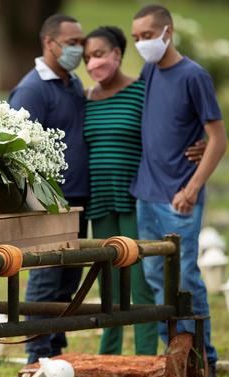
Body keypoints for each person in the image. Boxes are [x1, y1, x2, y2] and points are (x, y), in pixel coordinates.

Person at [130, 4, 227, 377]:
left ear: (167, 32)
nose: (142, 43)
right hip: (146, 194)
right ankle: (174, 353)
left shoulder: (194, 75)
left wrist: (192, 188)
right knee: (156, 277)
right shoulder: (149, 70)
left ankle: (204, 358)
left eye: (148, 36)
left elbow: (218, 139)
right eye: (136, 38)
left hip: (178, 198)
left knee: (186, 277)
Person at [8, 14, 88, 364]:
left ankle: (55, 349)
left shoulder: (73, 83)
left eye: (80, 43)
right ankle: (37, 355)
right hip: (50, 202)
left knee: (70, 276)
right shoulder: (32, 89)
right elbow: (16, 150)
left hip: (78, 197)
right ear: (49, 43)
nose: (78, 49)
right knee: (47, 277)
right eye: (71, 43)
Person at [82, 26, 158, 356]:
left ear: (117, 54)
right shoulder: (86, 98)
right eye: (86, 58)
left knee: (139, 283)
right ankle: (109, 356)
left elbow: (163, 134)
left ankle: (146, 358)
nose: (92, 63)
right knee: (108, 284)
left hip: (132, 198)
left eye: (98, 54)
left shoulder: (142, 92)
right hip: (100, 200)